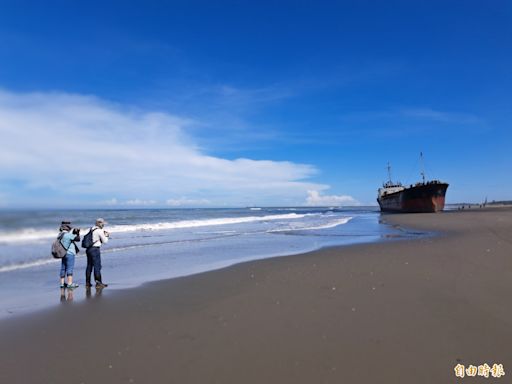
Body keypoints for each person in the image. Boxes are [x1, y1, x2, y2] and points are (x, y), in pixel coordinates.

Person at [85, 218, 110, 288]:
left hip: (88, 249)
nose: (104, 225)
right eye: (103, 223)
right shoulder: (99, 231)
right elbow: (105, 241)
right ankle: (98, 283)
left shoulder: (91, 229)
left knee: (89, 266)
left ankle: (87, 283)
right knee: (97, 266)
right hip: (95, 249)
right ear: (100, 223)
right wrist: (107, 236)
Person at [58, 221, 80, 289]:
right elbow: (78, 239)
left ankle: (62, 284)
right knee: (70, 268)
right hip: (70, 253)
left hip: (63, 253)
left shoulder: (60, 234)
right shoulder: (68, 235)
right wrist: (77, 233)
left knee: (63, 268)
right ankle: (70, 284)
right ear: (68, 228)